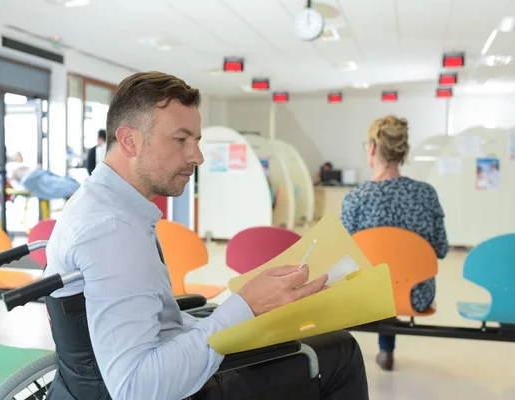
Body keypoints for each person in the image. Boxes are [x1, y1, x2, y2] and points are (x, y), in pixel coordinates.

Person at [44, 71, 369, 400]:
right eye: (181, 139)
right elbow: (137, 388)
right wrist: (245, 305)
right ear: (130, 141)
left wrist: (246, 311)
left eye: (196, 140)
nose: (197, 156)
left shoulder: (100, 206)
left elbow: (148, 326)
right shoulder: (112, 232)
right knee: (342, 351)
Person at [341, 115, 449, 371]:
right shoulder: (426, 194)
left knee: (379, 278)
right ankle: (386, 349)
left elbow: (344, 257)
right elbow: (441, 249)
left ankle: (364, 354)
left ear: (372, 147)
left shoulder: (355, 198)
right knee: (393, 277)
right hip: (416, 294)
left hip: (367, 297)